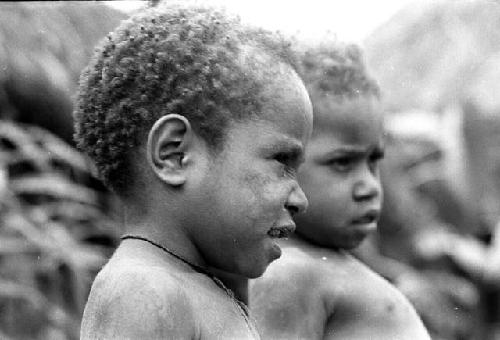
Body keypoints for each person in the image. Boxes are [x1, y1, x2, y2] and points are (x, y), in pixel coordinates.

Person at [74, 3, 313, 339]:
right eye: (282, 162)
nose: (300, 199)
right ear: (175, 154)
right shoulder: (143, 289)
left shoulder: (192, 286)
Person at [249, 42, 431, 340]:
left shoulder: (327, 264)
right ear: (285, 165)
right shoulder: (287, 276)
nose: (369, 187)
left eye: (373, 161)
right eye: (342, 162)